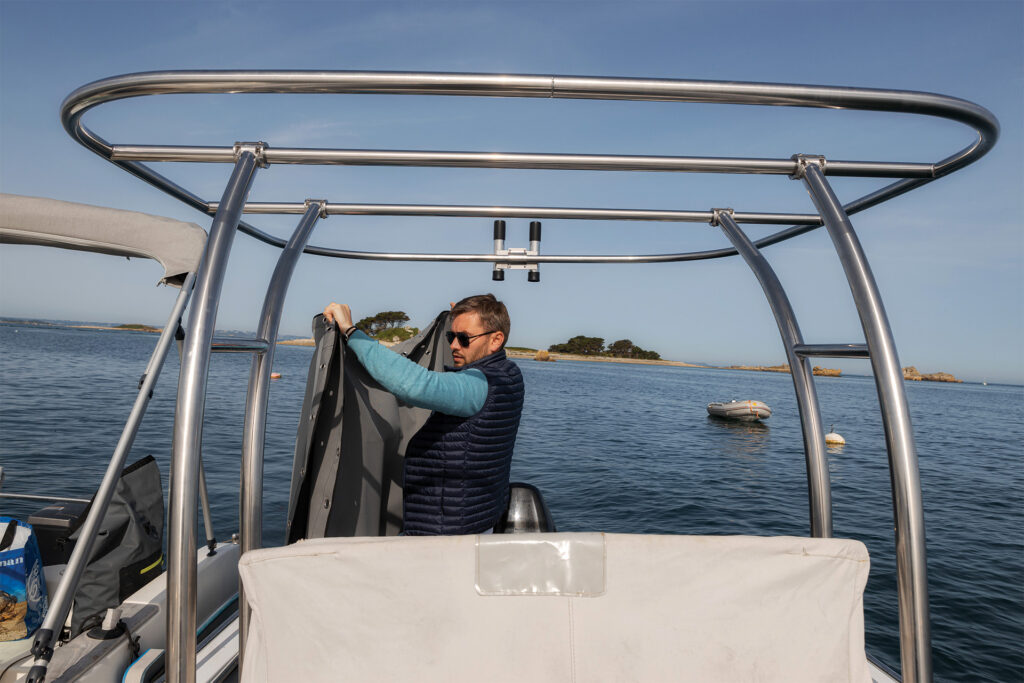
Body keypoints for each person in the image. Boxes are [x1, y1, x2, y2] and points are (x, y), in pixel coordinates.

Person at [322, 294, 525, 536]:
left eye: (464, 338)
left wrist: (351, 332)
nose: (453, 346)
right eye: (451, 336)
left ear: (496, 340)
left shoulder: (478, 386)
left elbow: (415, 384)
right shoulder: (509, 374)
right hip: (475, 521)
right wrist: (464, 323)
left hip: (445, 534)